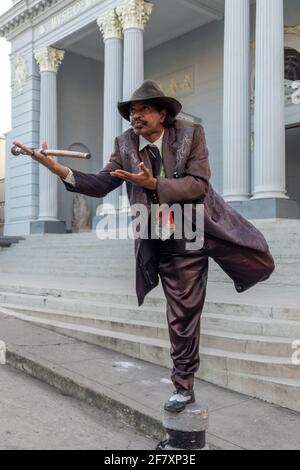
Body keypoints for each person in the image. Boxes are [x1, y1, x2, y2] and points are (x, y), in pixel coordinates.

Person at [14, 80, 275, 413]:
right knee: (182, 313)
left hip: (196, 223)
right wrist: (58, 169)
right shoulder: (124, 144)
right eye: (132, 112)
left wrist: (154, 184)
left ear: (162, 114)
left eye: (143, 110)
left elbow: (199, 184)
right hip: (159, 231)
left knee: (252, 257)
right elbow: (101, 183)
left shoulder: (190, 134)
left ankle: (244, 269)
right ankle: (184, 385)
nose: (135, 118)